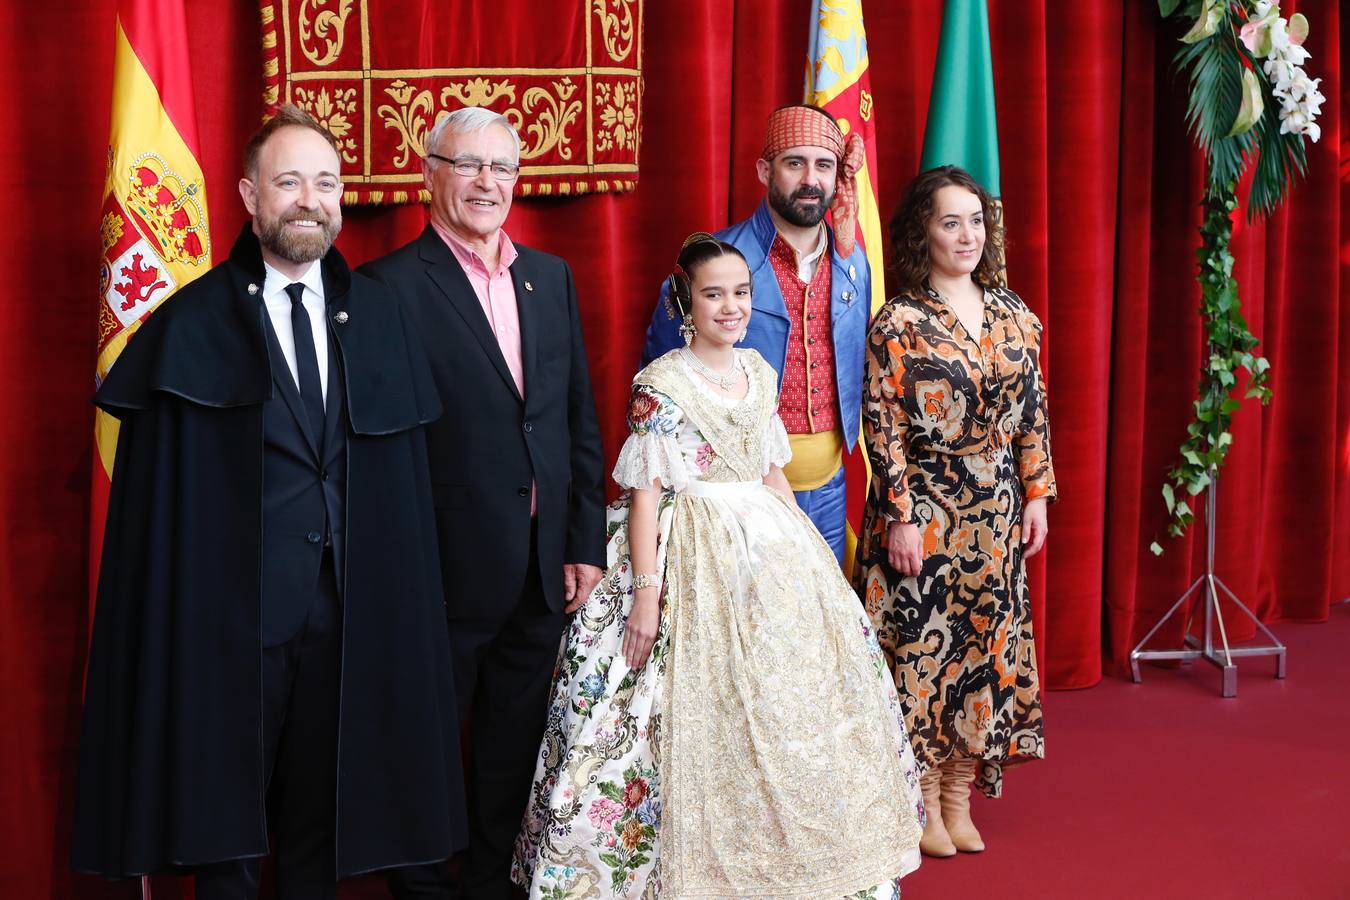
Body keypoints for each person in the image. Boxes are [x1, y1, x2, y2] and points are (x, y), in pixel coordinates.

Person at [72, 105, 464, 898]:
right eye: (289, 182)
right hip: (230, 624)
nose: (309, 200)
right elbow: (163, 513)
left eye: (325, 183)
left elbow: (406, 496)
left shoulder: (383, 317)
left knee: (320, 823)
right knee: (228, 835)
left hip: (349, 620)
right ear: (250, 196)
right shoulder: (192, 324)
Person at [513, 233, 924, 898]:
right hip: (684, 547)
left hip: (762, 554)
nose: (731, 307)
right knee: (659, 708)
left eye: (740, 293)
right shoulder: (662, 384)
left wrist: (811, 563)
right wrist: (646, 595)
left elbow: (772, 476)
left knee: (784, 706)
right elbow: (643, 498)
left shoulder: (760, 374)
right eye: (714, 294)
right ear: (686, 302)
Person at [362, 107, 606, 899]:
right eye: (467, 166)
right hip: (438, 570)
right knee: (424, 751)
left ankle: (496, 886)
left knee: (514, 749)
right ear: (428, 174)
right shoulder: (386, 287)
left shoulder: (551, 276)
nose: (485, 183)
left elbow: (573, 417)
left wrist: (583, 542)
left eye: (501, 168)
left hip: (540, 567)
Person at [854, 165, 1057, 858]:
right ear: (923, 231)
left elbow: (1033, 415)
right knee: (920, 656)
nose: (966, 235)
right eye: (951, 221)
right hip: (926, 512)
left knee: (982, 654)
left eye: (976, 220)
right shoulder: (899, 321)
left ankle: (957, 796)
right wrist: (901, 515)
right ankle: (920, 799)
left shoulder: (1013, 313)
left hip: (996, 513)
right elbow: (880, 425)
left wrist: (1037, 495)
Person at [641, 104, 870, 563]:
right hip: (735, 494)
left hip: (829, 488)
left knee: (819, 623)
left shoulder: (853, 262)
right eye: (794, 163)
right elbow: (659, 378)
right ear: (765, 170)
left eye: (824, 165)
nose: (811, 179)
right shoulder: (714, 261)